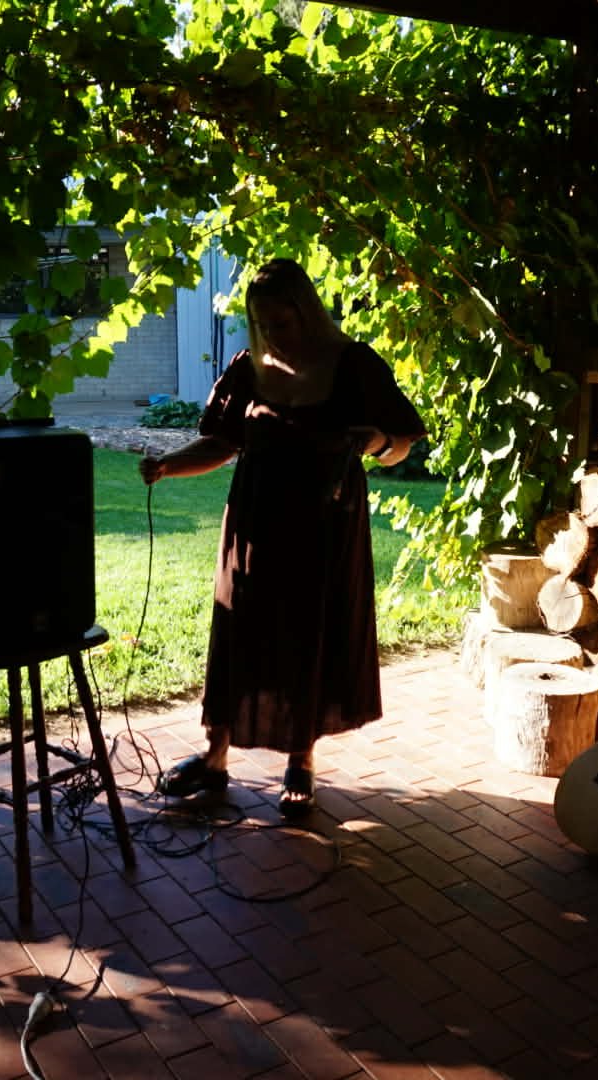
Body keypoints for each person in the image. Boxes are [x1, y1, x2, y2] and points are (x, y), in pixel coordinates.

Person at [139, 258, 426, 819]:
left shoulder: (352, 364)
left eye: (282, 322)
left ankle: (302, 759)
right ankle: (215, 757)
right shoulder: (250, 367)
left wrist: (374, 443)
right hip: (254, 522)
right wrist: (168, 466)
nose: (272, 333)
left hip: (324, 527)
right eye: (262, 323)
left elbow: (399, 444)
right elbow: (223, 444)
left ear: (307, 312)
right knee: (236, 630)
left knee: (307, 636)